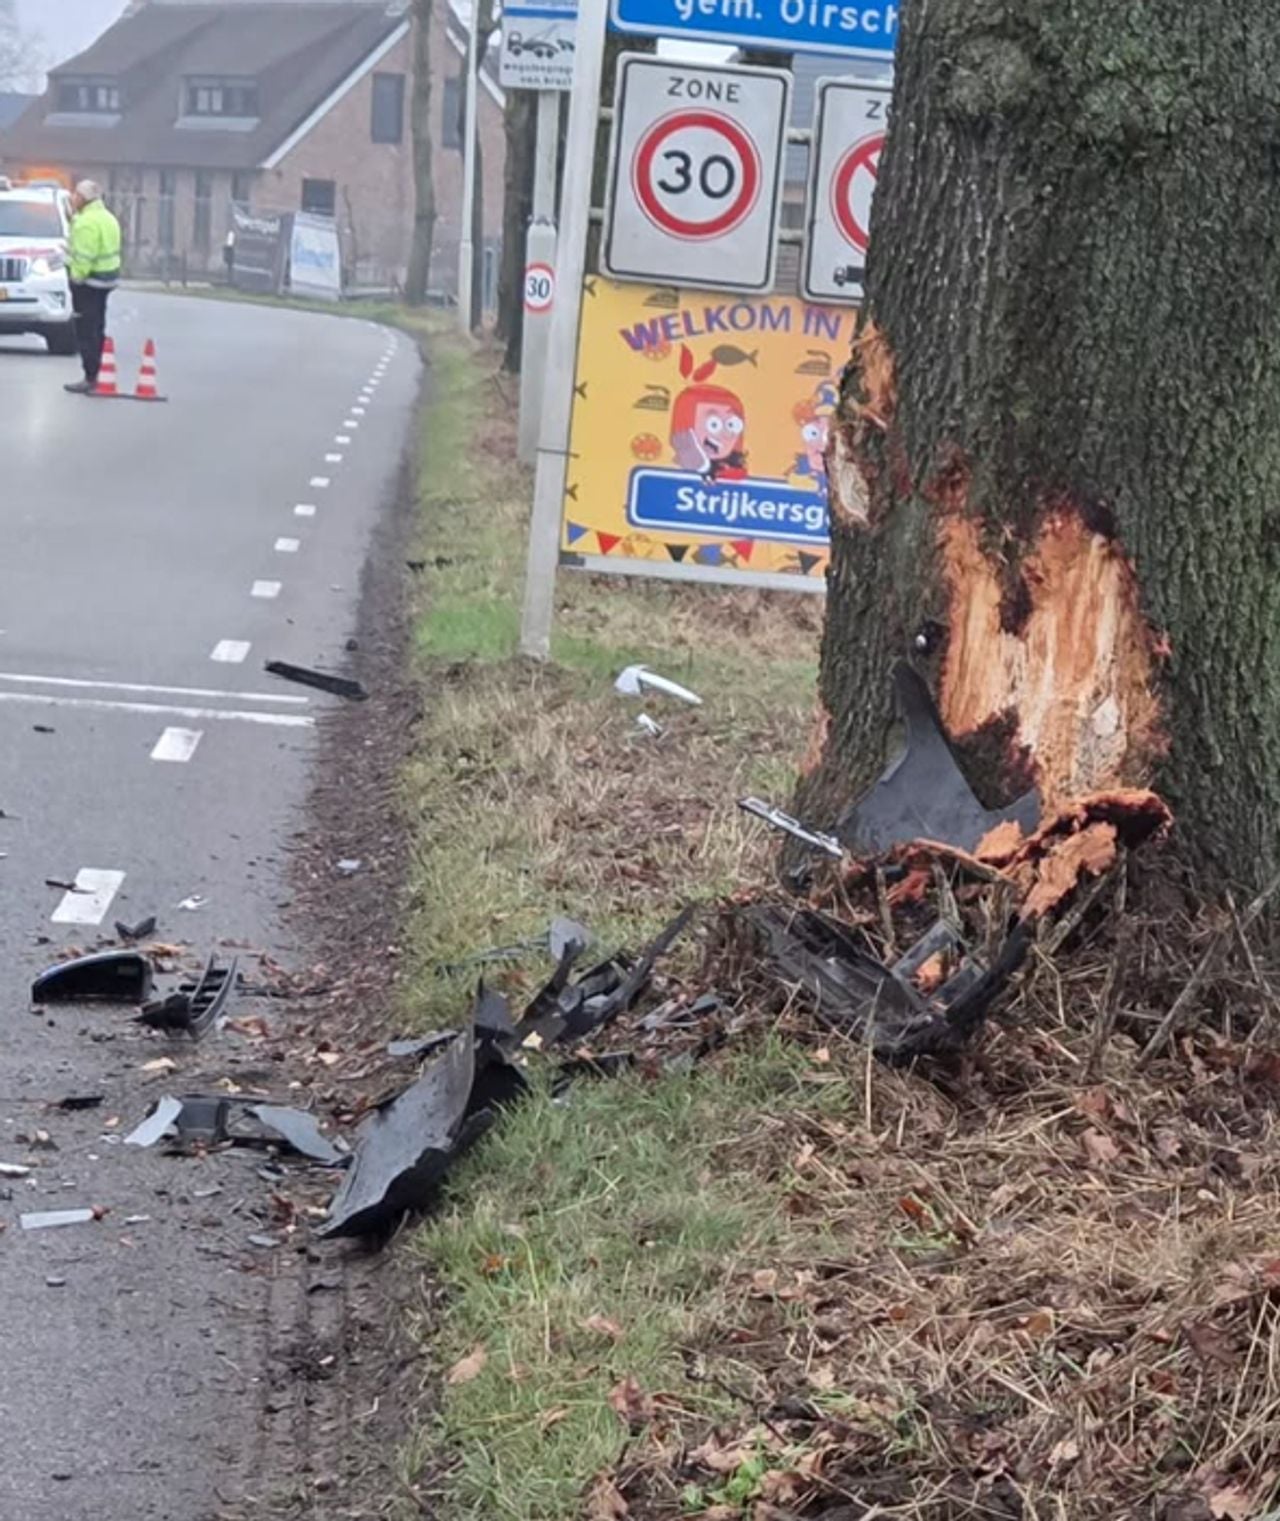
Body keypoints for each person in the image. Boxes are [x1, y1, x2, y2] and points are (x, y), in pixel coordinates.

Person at [64, 180, 122, 395]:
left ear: (83, 198)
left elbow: (84, 257)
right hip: (107, 280)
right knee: (97, 326)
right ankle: (98, 372)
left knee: (85, 329)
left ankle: (91, 376)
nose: (72, 198)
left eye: (75, 195)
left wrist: (75, 278)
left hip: (89, 282)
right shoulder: (108, 218)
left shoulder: (85, 223)